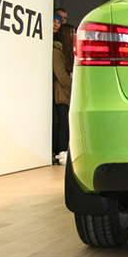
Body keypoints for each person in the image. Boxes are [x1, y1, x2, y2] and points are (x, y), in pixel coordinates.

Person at [53, 24, 76, 165]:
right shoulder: (57, 52)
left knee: (69, 122)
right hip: (62, 93)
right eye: (72, 32)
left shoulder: (70, 53)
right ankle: (61, 151)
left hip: (70, 93)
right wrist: (75, 86)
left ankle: (67, 151)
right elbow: (61, 75)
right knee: (63, 121)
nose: (75, 35)